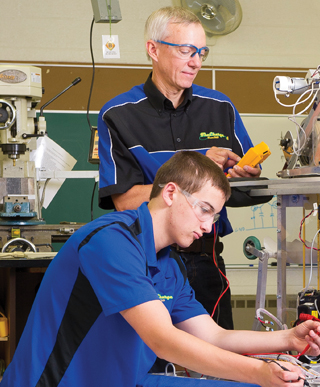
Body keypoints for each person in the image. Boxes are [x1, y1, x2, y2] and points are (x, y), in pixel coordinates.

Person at [0, 152, 320, 387]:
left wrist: (287, 339)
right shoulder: (112, 241)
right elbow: (163, 340)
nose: (207, 226)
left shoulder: (170, 265)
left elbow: (214, 336)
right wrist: (259, 372)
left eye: (215, 217)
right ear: (171, 192)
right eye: (204, 210)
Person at [97, 6, 261, 330]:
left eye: (202, 52)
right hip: (146, 261)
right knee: (150, 366)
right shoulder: (118, 115)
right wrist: (201, 170)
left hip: (206, 259)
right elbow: (126, 200)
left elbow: (244, 188)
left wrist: (245, 178)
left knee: (216, 367)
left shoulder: (220, 108)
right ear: (153, 49)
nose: (196, 62)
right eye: (186, 50)